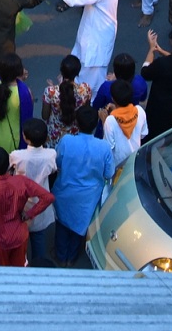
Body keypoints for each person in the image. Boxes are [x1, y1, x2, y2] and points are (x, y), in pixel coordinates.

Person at [50, 105, 114, 266]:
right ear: (96, 125)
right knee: (79, 229)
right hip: (88, 198)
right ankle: (71, 258)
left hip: (64, 192)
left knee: (62, 226)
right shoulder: (104, 147)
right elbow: (109, 173)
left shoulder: (66, 141)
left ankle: (60, 255)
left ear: (76, 123)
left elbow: (57, 162)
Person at [101, 79, 148, 165]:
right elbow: (143, 134)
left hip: (117, 165)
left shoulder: (110, 121)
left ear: (113, 99)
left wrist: (104, 121)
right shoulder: (140, 111)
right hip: (134, 161)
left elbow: (108, 147)